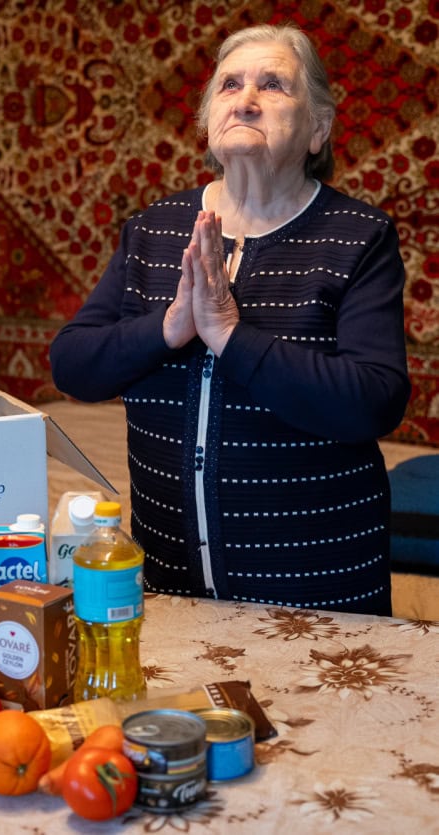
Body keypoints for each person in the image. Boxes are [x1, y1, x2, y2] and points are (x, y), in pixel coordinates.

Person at [49, 23, 411, 616]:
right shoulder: (153, 229)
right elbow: (73, 366)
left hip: (319, 588)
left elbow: (374, 400)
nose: (245, 99)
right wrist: (169, 328)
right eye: (229, 85)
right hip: (170, 578)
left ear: (318, 128)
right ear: (207, 121)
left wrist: (230, 337)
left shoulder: (358, 237)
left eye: (273, 86)